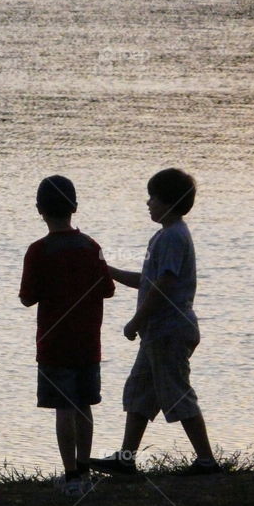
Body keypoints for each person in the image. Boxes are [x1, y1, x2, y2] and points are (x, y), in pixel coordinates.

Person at [89, 168, 220, 476]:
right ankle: (125, 459)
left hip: (169, 331)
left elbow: (164, 285)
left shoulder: (173, 237)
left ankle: (207, 462)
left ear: (169, 202)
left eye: (153, 197)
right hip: (157, 333)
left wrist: (136, 321)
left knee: (176, 392)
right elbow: (148, 281)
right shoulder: (163, 236)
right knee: (140, 393)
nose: (148, 203)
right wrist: (109, 272)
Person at [19, 176, 115, 495]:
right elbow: (107, 289)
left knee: (64, 408)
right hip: (88, 343)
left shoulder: (37, 251)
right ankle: (85, 471)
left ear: (39, 210)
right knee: (85, 405)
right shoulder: (92, 247)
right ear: (74, 207)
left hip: (53, 344)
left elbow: (27, 297)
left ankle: (71, 475)